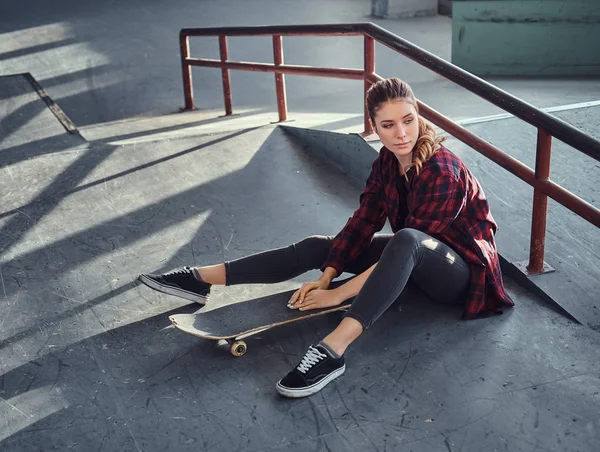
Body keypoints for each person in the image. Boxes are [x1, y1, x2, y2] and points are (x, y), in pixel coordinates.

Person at [139, 78, 514, 398]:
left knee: (407, 240)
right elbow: (364, 220)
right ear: (374, 127)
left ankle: (332, 352)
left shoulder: (442, 172)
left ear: (419, 116)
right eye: (388, 125)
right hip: (414, 257)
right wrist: (328, 274)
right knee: (321, 246)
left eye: (408, 120)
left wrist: (336, 296)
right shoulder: (386, 161)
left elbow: (412, 242)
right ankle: (201, 279)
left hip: (461, 274)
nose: (401, 133)